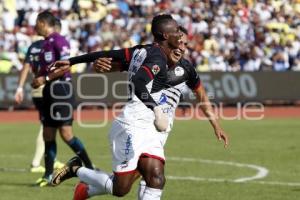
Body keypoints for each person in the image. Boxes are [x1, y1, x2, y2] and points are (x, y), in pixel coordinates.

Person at [50, 14, 228, 200]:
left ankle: (85, 190)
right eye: (178, 40)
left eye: (184, 44)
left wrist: (216, 125)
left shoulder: (186, 69)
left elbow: (202, 96)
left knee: (155, 178)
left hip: (157, 131)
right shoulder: (154, 57)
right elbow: (130, 75)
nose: (182, 47)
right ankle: (77, 170)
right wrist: (155, 108)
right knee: (121, 188)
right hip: (133, 125)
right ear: (168, 38)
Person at [31, 11, 94, 187]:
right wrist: (39, 78)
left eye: (36, 23)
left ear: (43, 23)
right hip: (48, 91)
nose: (34, 26)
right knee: (47, 133)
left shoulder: (60, 40)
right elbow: (46, 69)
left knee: (66, 134)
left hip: (61, 90)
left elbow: (67, 66)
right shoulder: (44, 44)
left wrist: (45, 78)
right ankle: (48, 175)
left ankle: (90, 169)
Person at [14, 18, 65, 173]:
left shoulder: (34, 46)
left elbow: (26, 67)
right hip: (47, 87)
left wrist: (20, 88)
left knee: (49, 125)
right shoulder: (51, 44)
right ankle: (36, 163)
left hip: (37, 88)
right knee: (47, 126)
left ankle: (51, 158)